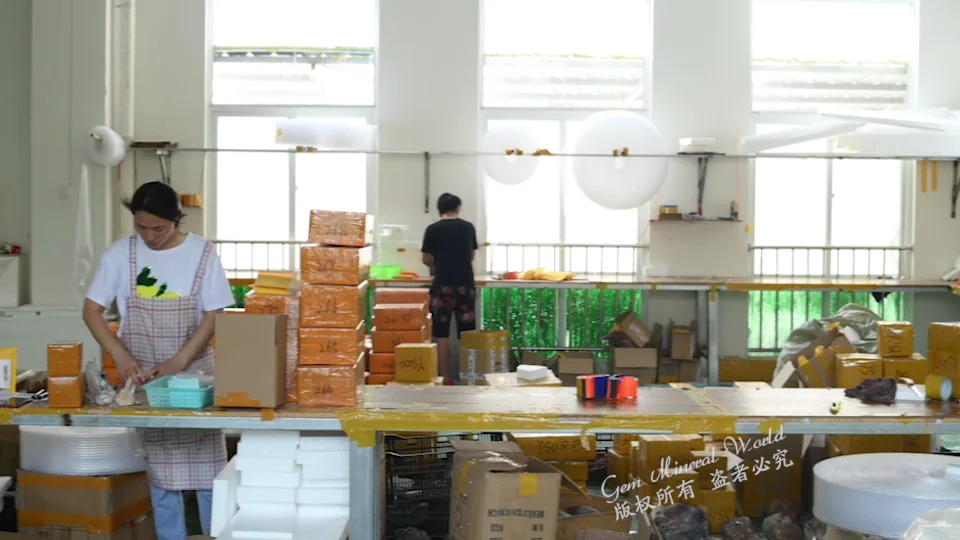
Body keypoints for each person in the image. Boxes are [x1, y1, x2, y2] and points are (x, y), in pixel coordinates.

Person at [82, 181, 235, 540]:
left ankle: (215, 534)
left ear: (176, 220)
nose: (150, 237)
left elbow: (215, 314)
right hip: (145, 382)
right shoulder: (120, 255)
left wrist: (179, 361)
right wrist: (121, 356)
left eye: (159, 228)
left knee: (209, 474)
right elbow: (91, 311)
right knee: (159, 473)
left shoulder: (202, 254)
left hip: (195, 378)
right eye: (142, 227)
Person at [420, 193, 478, 385]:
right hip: (465, 286)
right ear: (458, 208)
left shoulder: (433, 229)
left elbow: (425, 258)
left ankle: (446, 377)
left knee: (441, 333)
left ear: (439, 210)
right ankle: (467, 376)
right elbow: (471, 256)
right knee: (467, 334)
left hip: (442, 286)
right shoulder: (468, 228)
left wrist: (437, 264)